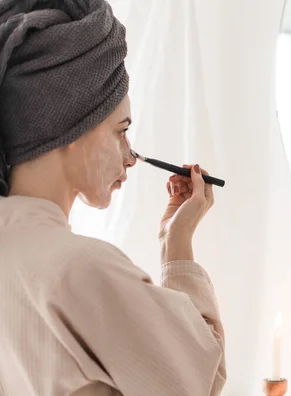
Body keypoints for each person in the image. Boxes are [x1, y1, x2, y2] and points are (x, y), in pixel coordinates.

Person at [0, 1, 226, 395]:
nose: (130, 156)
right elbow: (200, 378)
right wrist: (177, 246)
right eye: (120, 131)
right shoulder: (81, 268)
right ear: (71, 129)